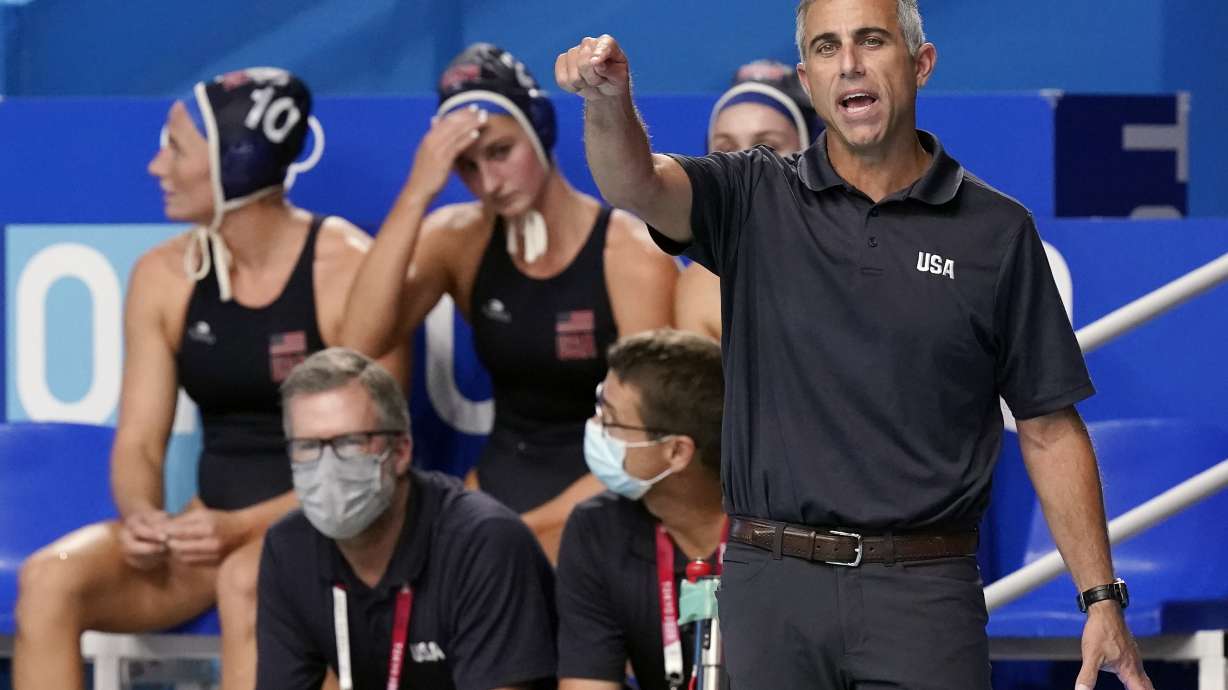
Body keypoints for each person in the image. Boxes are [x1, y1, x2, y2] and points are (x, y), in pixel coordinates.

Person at [556, 1, 1154, 688]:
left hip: (924, 594)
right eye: (826, 47)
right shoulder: (751, 194)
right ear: (808, 81)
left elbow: (1049, 427)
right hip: (770, 582)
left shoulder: (997, 233)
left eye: (872, 40)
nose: (849, 64)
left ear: (920, 64)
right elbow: (632, 183)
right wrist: (607, 103)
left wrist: (1101, 597)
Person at [13, 67, 408, 690]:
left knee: (248, 578)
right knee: (48, 579)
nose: (155, 167)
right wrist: (143, 516)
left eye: (175, 148)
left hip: (331, 537)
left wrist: (241, 528)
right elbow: (140, 442)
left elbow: (372, 464)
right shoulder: (163, 276)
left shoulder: (347, 270)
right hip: (209, 535)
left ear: (236, 160)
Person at [341, 43, 676, 561]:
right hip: (501, 485)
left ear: (538, 130)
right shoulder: (461, 239)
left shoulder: (626, 254)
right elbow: (359, 345)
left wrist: (520, 531)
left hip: (603, 492)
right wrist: (416, 192)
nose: (489, 183)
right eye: (467, 168)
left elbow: (652, 435)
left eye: (499, 152)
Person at [257, 347, 557, 690]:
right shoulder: (288, 549)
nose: (327, 467)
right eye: (307, 446)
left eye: (351, 442)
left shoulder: (483, 542)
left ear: (400, 451)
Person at [555, 330, 726, 690]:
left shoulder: (777, 533)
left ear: (676, 452)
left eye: (611, 421)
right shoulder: (596, 529)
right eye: (599, 406)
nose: (594, 429)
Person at [676, 59, 821, 341]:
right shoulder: (701, 285)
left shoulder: (861, 257)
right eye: (725, 148)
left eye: (766, 147)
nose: (744, 165)